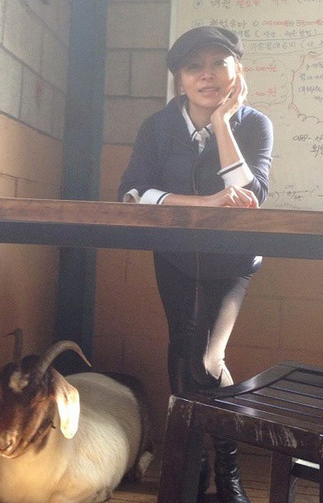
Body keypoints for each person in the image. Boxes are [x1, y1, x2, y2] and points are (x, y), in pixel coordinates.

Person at [118, 26, 273, 502]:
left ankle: (227, 471)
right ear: (179, 81)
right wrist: (205, 203)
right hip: (177, 257)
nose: (207, 75)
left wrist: (223, 122)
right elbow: (132, 193)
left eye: (218, 64)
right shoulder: (157, 127)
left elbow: (252, 197)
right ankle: (196, 470)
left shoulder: (254, 124)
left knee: (208, 359)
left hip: (232, 261)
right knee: (183, 351)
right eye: (194, 67)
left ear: (236, 72)